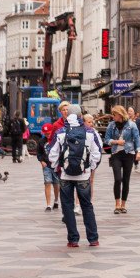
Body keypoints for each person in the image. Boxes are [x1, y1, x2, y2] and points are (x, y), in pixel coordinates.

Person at [47, 104, 102, 248]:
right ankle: (93, 238)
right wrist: (90, 167)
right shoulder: (90, 132)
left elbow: (52, 154)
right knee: (87, 206)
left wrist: (57, 168)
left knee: (67, 206)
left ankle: (73, 239)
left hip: (65, 175)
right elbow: (97, 153)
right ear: (80, 116)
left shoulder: (61, 132)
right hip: (83, 176)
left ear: (67, 115)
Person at [105, 106, 138, 215]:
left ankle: (123, 205)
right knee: (118, 179)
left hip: (129, 153)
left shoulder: (131, 125)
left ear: (120, 114)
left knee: (126, 180)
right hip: (116, 154)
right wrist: (116, 142)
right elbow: (106, 140)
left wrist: (139, 151)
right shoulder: (111, 125)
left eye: (114, 114)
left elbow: (137, 139)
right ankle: (117, 204)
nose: (113, 116)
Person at [35, 131, 59, 213]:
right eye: (46, 134)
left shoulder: (56, 140)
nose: (47, 135)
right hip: (46, 166)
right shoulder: (41, 141)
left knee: (56, 184)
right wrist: (41, 161)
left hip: (55, 165)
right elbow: (39, 153)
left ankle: (56, 200)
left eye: (49, 133)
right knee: (47, 183)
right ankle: (48, 205)